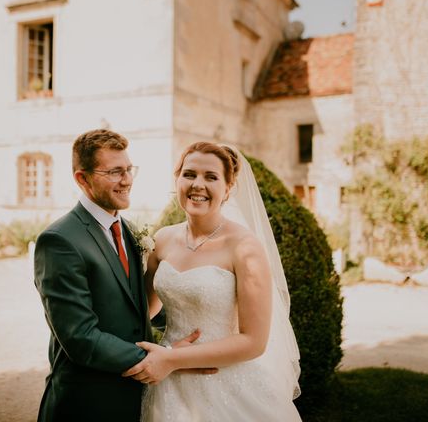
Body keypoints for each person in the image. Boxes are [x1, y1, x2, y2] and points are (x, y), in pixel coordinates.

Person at [34, 129, 204, 421]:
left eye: (128, 169)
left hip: (134, 399)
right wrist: (161, 360)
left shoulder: (127, 230)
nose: (127, 180)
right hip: (86, 404)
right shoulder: (60, 240)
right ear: (82, 179)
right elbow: (80, 337)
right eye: (114, 172)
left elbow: (134, 309)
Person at [123, 142, 302, 421]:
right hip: (169, 381)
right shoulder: (163, 239)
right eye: (189, 174)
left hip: (226, 381)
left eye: (211, 177)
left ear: (228, 189)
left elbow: (254, 342)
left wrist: (170, 359)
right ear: (177, 179)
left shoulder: (244, 247)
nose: (198, 184)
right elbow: (145, 309)